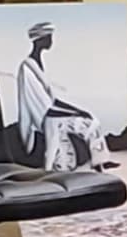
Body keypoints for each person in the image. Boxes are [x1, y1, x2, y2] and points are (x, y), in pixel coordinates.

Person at [11, 23, 99, 173]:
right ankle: (99, 162)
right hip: (47, 118)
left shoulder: (37, 64)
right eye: (48, 37)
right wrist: (76, 112)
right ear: (39, 40)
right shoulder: (27, 68)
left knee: (64, 160)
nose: (51, 41)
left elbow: (52, 100)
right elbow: (44, 106)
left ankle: (100, 162)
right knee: (89, 125)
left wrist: (77, 110)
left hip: (53, 116)